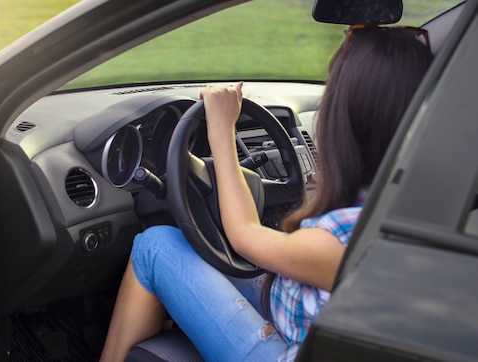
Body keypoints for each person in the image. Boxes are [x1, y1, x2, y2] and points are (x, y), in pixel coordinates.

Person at [100, 25, 433, 362]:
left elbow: (244, 234)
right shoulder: (422, 207)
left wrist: (221, 129)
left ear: (345, 119)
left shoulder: (345, 240)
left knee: (154, 246)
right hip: (315, 322)